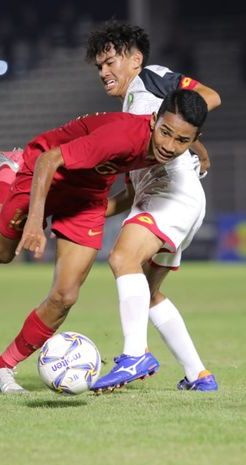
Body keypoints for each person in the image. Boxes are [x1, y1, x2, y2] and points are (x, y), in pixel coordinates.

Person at [0, 89, 208, 393]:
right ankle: (7, 170)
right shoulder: (123, 137)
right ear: (154, 120)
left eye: (181, 140)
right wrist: (36, 220)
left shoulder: (168, 144)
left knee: (65, 296)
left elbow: (127, 196)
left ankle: (0, 368)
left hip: (87, 195)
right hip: (45, 171)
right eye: (165, 133)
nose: (169, 145)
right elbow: (49, 160)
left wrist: (203, 156)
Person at [83, 22, 221, 392]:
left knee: (121, 259)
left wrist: (178, 133)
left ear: (135, 60)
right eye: (99, 67)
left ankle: (134, 355)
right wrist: (89, 210)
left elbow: (208, 97)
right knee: (146, 291)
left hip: (173, 192)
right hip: (166, 200)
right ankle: (199, 376)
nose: (104, 73)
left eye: (110, 62)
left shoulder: (154, 79)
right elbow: (128, 195)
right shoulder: (128, 121)